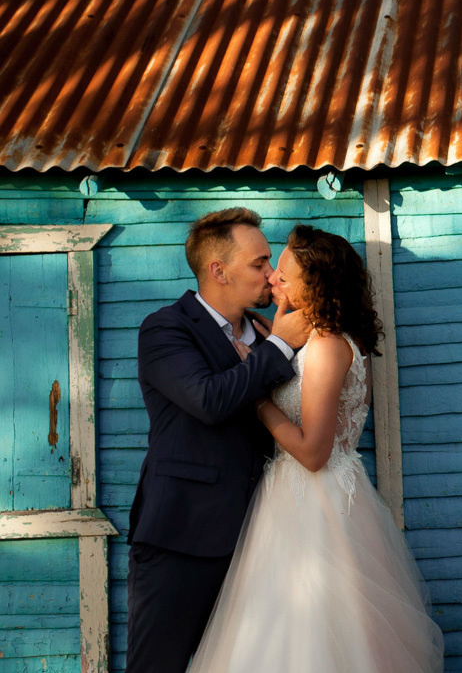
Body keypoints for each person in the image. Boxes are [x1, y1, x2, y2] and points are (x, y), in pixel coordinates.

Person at [188, 225, 444, 672]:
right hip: (293, 499)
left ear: (315, 286)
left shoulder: (326, 347)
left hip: (315, 504)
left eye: (283, 276)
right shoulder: (318, 340)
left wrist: (259, 400)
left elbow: (312, 453)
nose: (272, 279)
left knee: (318, 634)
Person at [126, 207, 310, 673]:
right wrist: (281, 346)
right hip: (182, 537)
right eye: (259, 263)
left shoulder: (267, 330)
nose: (271, 275)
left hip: (263, 536)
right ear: (218, 270)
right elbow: (208, 400)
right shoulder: (166, 328)